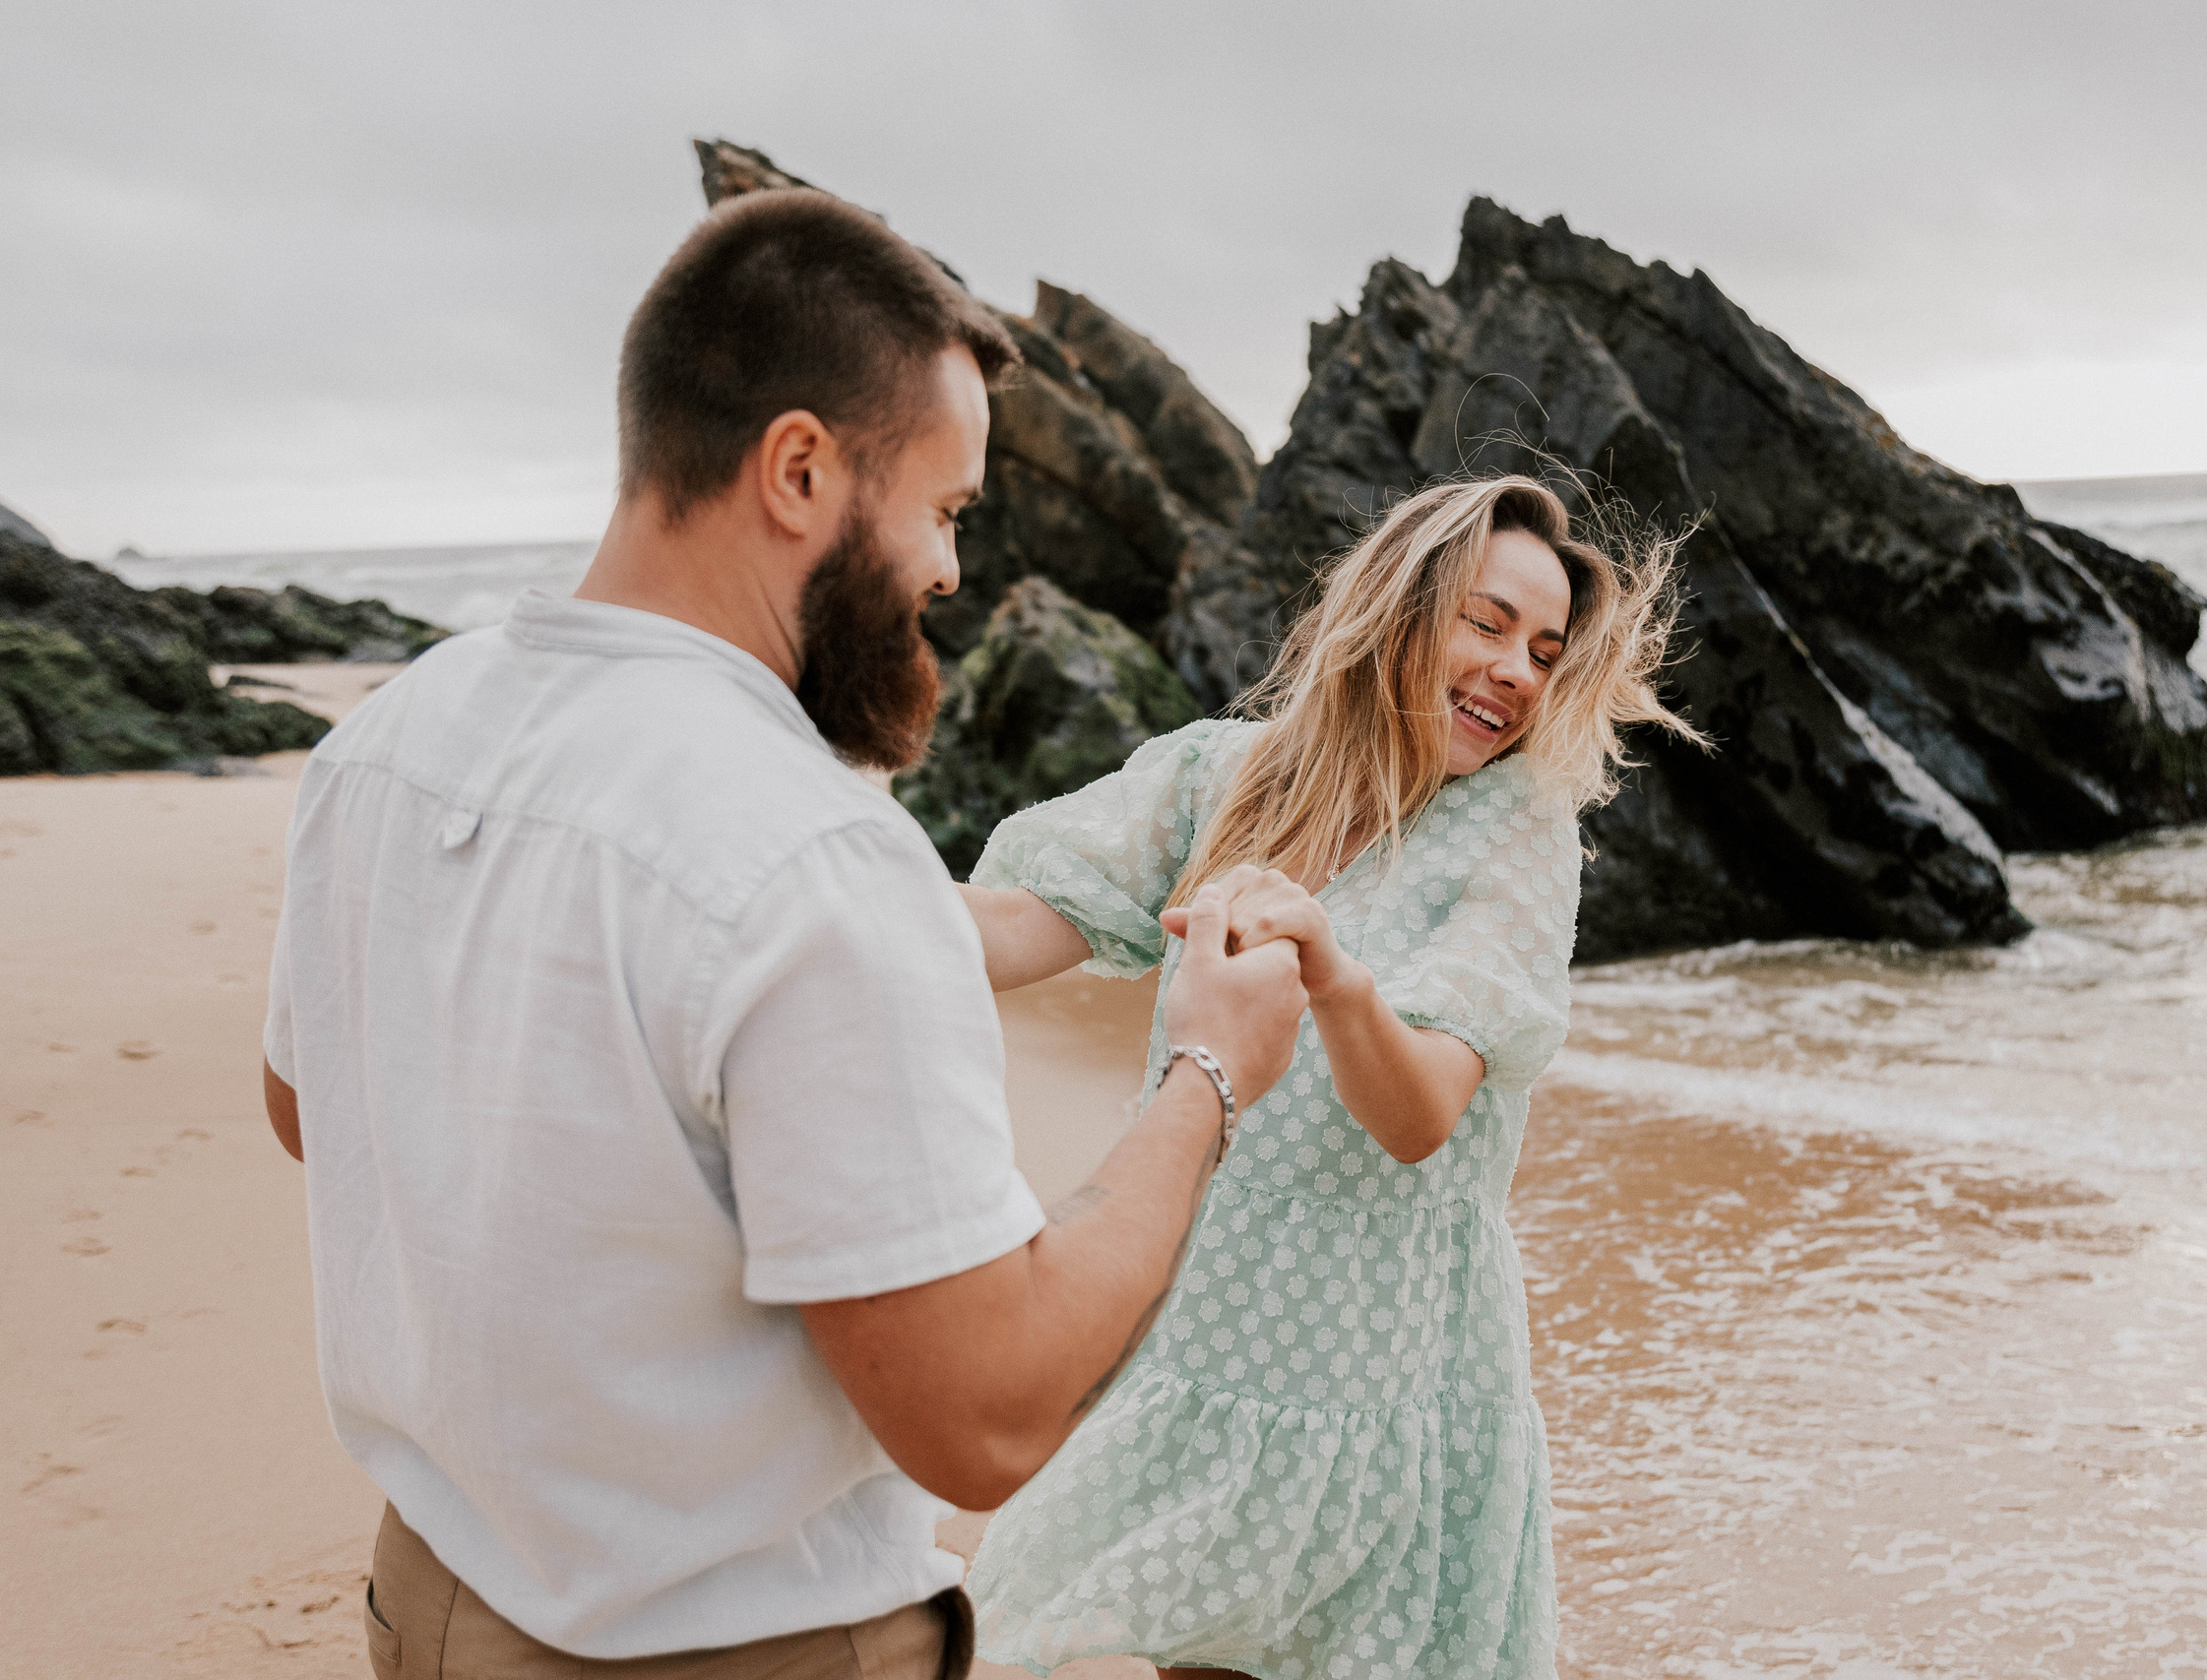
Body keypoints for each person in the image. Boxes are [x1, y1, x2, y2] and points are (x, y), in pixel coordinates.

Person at [260, 187, 1308, 1679]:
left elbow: (311, 1104)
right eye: (944, 510)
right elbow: (990, 1412)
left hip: (428, 1603)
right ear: (802, 469)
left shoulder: (393, 734)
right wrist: (1205, 1071)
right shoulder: (811, 851)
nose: (952, 571)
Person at [954, 473, 1694, 1679]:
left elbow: (1418, 1118)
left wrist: (1336, 979)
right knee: (1050, 1644)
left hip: (1384, 1388)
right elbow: (1012, 926)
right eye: (1488, 622)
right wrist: (814, 892)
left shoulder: (1516, 832)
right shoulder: (1219, 778)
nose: (1516, 669)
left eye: (1546, 651)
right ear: (1403, 605)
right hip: (1192, 1356)